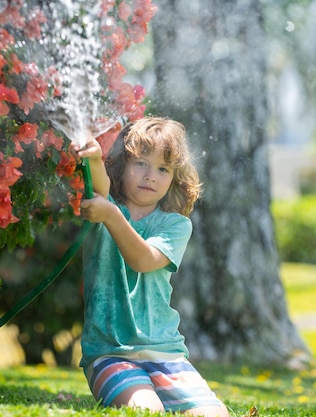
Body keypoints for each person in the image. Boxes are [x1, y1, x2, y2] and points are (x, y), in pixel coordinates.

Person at [74, 117, 230, 416]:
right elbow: (100, 187)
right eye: (141, 163)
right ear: (121, 166)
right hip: (110, 354)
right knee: (146, 410)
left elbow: (143, 260)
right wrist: (93, 157)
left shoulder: (174, 224)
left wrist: (111, 217)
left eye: (163, 169)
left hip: (167, 353)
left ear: (174, 178)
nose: (151, 176)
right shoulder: (107, 208)